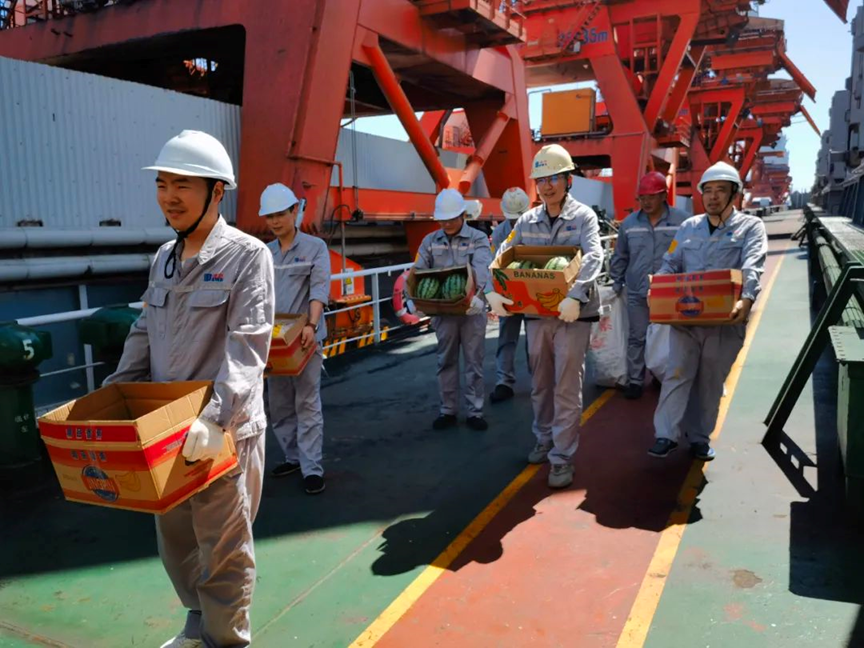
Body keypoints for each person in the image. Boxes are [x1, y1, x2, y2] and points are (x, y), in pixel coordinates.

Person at [105, 130, 275, 648]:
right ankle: (198, 625)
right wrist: (112, 395)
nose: (169, 197)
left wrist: (216, 417)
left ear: (216, 191)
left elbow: (248, 345)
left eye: (183, 184)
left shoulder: (247, 256)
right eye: (162, 184)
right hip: (167, 429)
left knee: (223, 549)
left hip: (222, 432)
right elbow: (144, 331)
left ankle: (226, 640)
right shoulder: (164, 257)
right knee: (176, 540)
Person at [487, 145, 603, 489]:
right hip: (537, 314)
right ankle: (544, 438)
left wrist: (575, 296)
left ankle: (562, 457)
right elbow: (504, 253)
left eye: (554, 178)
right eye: (541, 180)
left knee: (566, 387)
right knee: (540, 383)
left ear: (568, 180)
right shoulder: (526, 220)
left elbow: (594, 255)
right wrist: (493, 289)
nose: (547, 186)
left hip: (572, 315)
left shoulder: (583, 217)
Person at [648, 161, 767, 461]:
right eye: (708, 190)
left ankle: (700, 438)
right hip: (686, 318)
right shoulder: (689, 227)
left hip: (724, 322)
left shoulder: (750, 228)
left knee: (710, 382)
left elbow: (753, 265)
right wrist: (658, 285)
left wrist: (747, 299)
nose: (713, 197)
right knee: (677, 374)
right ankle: (666, 435)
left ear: (734, 194)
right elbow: (670, 262)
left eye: (720, 190)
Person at [260, 183, 330, 495]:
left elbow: (318, 289)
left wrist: (311, 325)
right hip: (275, 342)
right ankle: (293, 457)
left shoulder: (315, 247)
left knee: (307, 401)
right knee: (278, 404)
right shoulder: (265, 253)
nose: (275, 221)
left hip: (304, 339)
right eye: (269, 216)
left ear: (294, 211)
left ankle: (312, 467)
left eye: (280, 214)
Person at [415, 188, 493, 431]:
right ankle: (447, 410)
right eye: (442, 220)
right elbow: (418, 270)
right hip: (444, 312)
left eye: (450, 219)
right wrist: (413, 299)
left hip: (472, 311)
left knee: (474, 362)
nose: (446, 224)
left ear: (462, 215)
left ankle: (475, 412)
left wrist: (478, 296)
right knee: (445, 360)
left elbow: (482, 268)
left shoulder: (478, 238)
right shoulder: (430, 241)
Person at [609, 172, 689, 399]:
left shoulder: (683, 222)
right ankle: (636, 380)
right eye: (642, 197)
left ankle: (661, 375)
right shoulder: (629, 224)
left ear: (664, 195)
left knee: (670, 337)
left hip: (670, 293)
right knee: (637, 337)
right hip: (637, 291)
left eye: (651, 197)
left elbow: (690, 253)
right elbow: (620, 256)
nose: (646, 202)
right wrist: (616, 281)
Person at [489, 187, 531, 404]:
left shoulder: (538, 227)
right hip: (508, 291)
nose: (515, 223)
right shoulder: (499, 233)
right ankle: (504, 382)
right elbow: (494, 263)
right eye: (512, 219)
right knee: (506, 337)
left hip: (534, 291)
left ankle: (539, 380)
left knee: (535, 339)